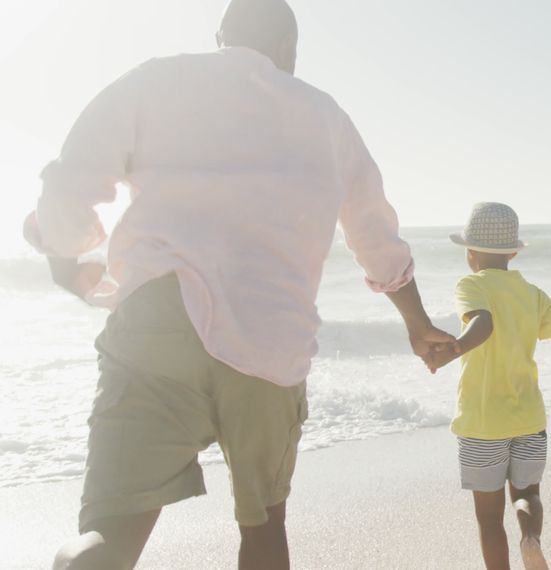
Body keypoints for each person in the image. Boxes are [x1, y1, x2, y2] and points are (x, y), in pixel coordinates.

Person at [24, 1, 455, 568]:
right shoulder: (326, 116)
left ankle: (83, 559)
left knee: (109, 529)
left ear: (221, 35)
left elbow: (69, 187)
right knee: (264, 528)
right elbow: (376, 238)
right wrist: (418, 326)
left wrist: (62, 253)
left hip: (157, 318)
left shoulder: (155, 79)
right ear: (288, 50)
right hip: (267, 341)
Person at [425, 202, 551, 570]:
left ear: (471, 251)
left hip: (483, 423)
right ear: (512, 251)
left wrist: (455, 349)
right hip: (529, 418)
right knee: (527, 494)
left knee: (489, 517)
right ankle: (531, 538)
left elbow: (483, 323)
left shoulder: (471, 284)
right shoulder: (533, 293)